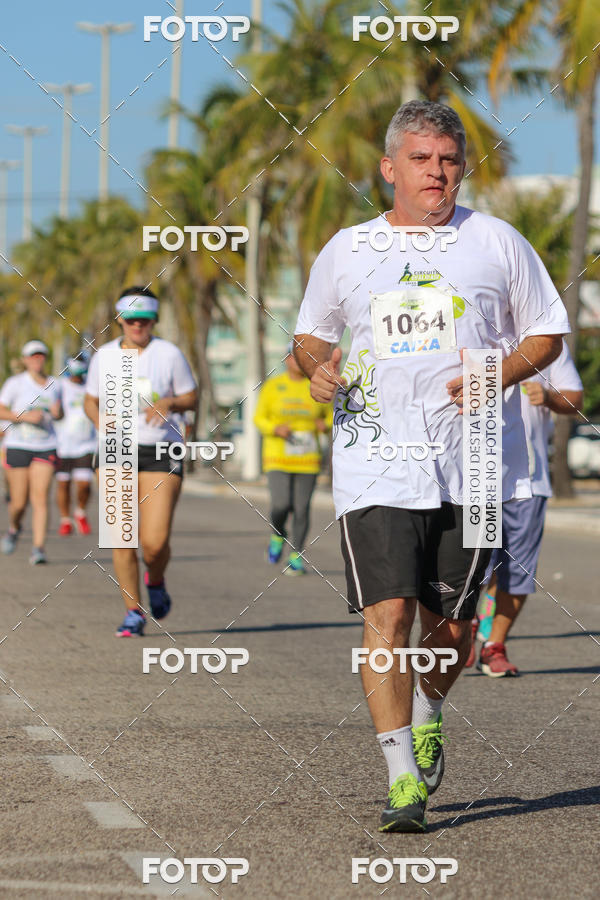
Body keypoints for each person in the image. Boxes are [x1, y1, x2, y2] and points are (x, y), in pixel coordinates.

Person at [293, 100, 569, 832]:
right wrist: (316, 369)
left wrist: (497, 373)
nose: (437, 172)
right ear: (390, 168)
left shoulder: (497, 241)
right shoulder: (348, 249)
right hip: (374, 461)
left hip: (472, 464)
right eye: (421, 159)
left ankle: (428, 710)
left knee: (451, 628)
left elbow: (547, 333)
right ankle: (401, 780)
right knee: (387, 614)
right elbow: (310, 337)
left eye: (448, 160)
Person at [84, 287, 197, 637]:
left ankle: (156, 579)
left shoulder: (168, 354)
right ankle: (133, 612)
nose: (138, 326)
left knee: (154, 543)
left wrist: (170, 403)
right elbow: (90, 400)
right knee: (122, 537)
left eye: (145, 320)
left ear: (154, 321)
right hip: (116, 450)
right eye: (131, 319)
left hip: (161, 450)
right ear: (119, 319)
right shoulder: (104, 355)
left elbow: (191, 396)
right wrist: (99, 422)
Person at [466, 340, 583, 676]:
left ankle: (494, 646)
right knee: (474, 566)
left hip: (529, 481)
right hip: (478, 478)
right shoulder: (476, 334)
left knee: (517, 571)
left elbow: (575, 399)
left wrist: (548, 397)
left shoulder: (546, 343)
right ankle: (464, 628)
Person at [254, 342, 332, 574]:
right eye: (293, 356)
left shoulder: (314, 385)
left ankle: (296, 556)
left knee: (301, 508)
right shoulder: (273, 386)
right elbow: (259, 418)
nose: (297, 361)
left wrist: (324, 425)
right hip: (277, 458)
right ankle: (278, 534)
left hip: (308, 459)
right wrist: (275, 428)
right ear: (286, 359)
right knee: (280, 505)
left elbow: (331, 416)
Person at [0, 340, 63, 564]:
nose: (37, 360)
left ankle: (38, 548)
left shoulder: (55, 384)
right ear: (25, 360)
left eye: (40, 355)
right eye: (32, 356)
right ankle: (14, 527)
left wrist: (57, 413)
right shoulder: (15, 383)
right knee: (19, 502)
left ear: (45, 358)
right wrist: (25, 417)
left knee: (40, 498)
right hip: (18, 445)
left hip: (45, 446)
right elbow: (1, 410)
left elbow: (60, 414)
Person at [55, 352, 96, 536]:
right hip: (63, 444)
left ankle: (80, 512)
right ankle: (65, 520)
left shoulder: (90, 387)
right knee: (63, 484)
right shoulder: (60, 386)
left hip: (86, 444)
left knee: (84, 484)